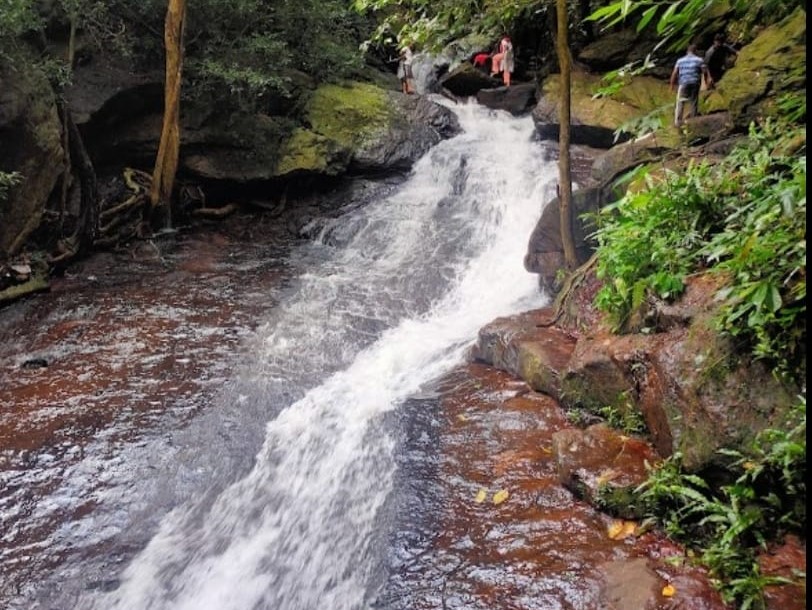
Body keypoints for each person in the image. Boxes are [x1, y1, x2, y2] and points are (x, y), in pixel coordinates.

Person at [670, 44, 712, 127]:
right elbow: (704, 72)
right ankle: (694, 121)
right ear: (695, 51)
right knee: (693, 102)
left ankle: (678, 122)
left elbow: (674, 73)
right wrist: (706, 82)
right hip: (695, 83)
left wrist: (672, 85)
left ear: (687, 51)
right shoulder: (699, 60)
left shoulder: (680, 60)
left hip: (683, 83)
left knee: (680, 102)